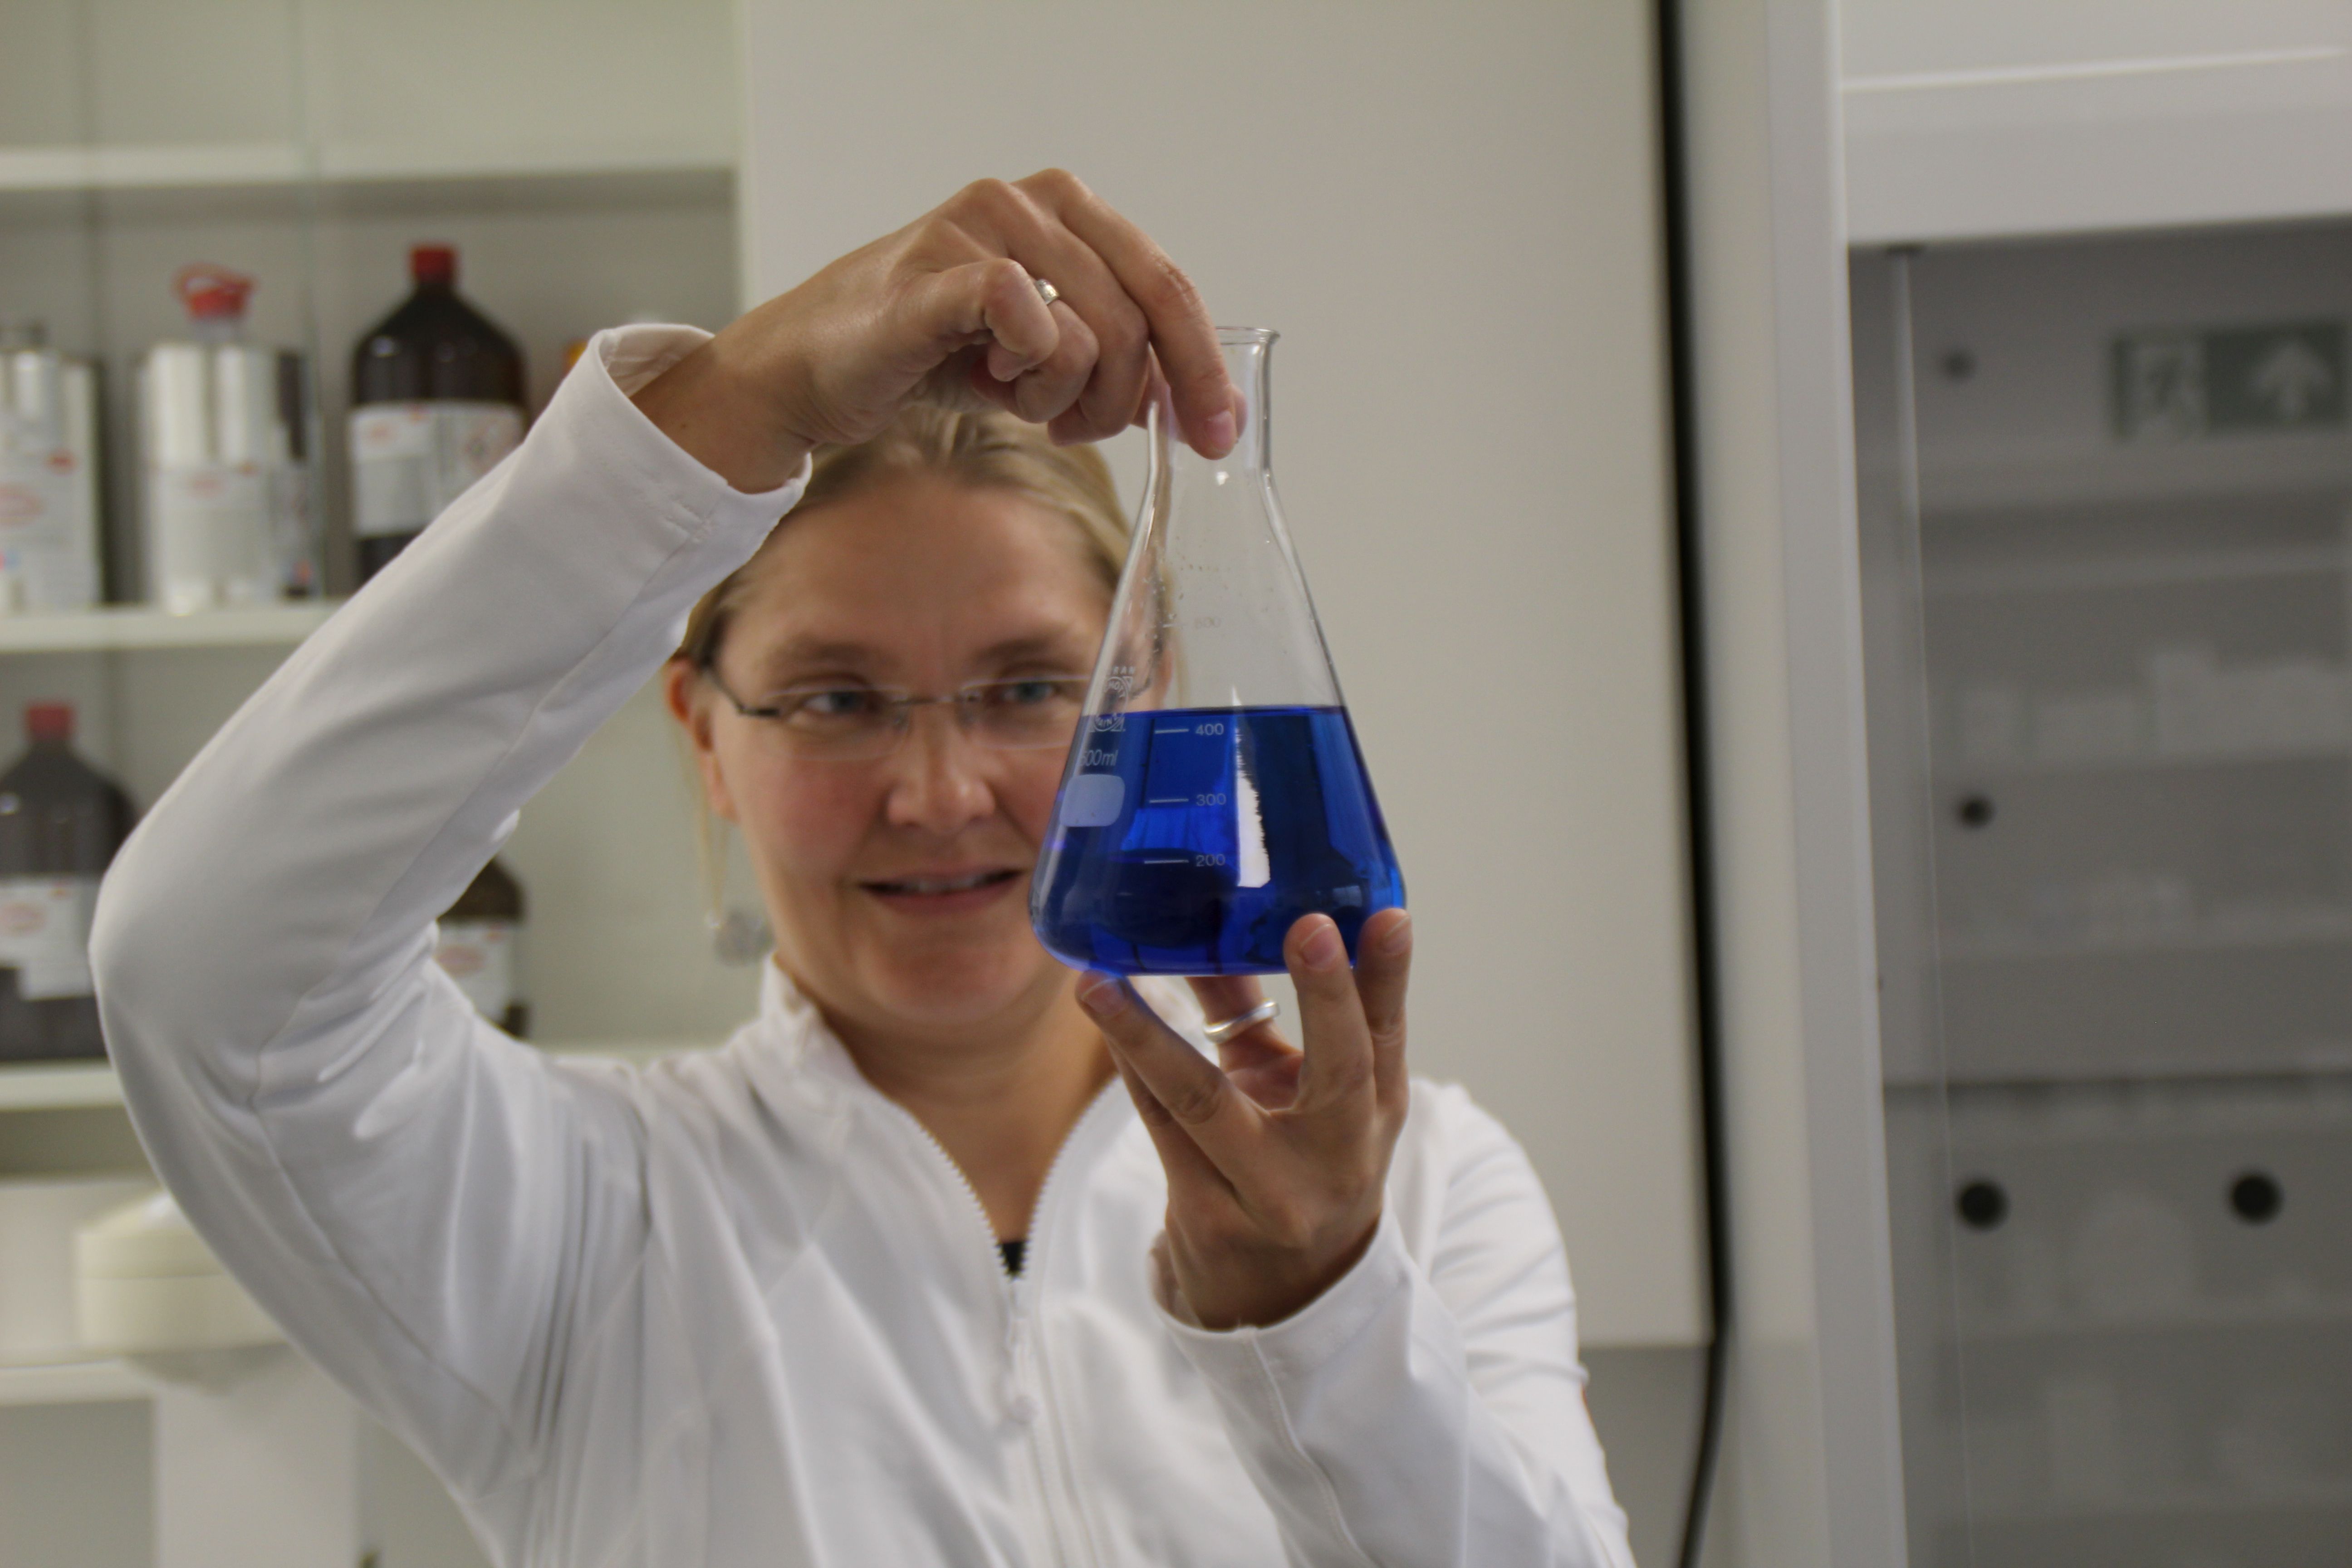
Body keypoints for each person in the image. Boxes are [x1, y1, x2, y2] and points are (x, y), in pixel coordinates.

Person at [92, 172, 1633, 1567]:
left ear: (1139, 704)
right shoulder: (578, 1227)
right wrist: (737, 396)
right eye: (835, 700)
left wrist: (1325, 1318)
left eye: (1028, 688)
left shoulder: (1418, 1192)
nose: (939, 793)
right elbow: (203, 973)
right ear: (706, 737)